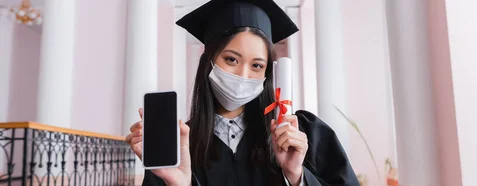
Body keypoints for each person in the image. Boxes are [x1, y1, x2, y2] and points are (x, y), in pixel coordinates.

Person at [124, 0, 360, 185]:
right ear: (209, 60)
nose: (243, 75)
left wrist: (297, 176)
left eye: (257, 65)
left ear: (267, 73)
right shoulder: (179, 147)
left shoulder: (302, 134)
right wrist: (180, 184)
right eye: (231, 59)